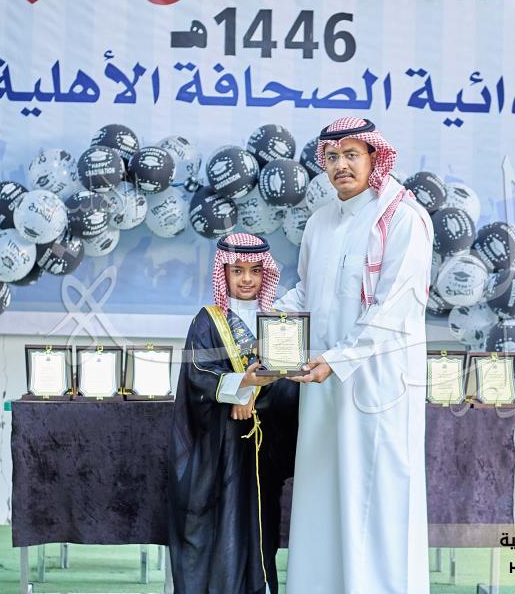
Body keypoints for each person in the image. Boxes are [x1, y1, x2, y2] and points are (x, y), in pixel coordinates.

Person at [276, 117, 434, 593]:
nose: (340, 165)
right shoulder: (321, 221)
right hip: (320, 384)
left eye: (351, 155)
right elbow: (306, 294)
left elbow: (395, 308)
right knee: (321, 498)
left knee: (378, 504)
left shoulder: (402, 217)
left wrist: (339, 360)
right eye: (332, 157)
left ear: (373, 158)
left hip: (378, 387)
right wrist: (263, 325)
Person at [168, 232, 299, 594]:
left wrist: (251, 395)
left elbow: (286, 378)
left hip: (262, 449)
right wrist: (241, 386)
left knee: (261, 524)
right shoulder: (207, 321)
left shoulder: (277, 321)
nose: (246, 279)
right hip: (220, 448)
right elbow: (198, 375)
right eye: (237, 270)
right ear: (222, 273)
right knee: (219, 524)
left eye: (255, 271)